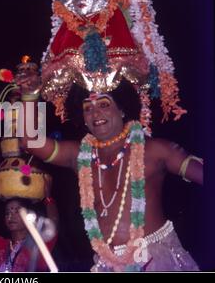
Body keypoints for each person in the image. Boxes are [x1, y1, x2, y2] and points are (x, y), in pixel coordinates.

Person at [17, 72, 203, 271]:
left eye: (104, 105)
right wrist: (30, 94)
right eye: (88, 108)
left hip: (155, 260)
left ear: (122, 109)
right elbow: (29, 141)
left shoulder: (156, 150)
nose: (95, 114)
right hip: (107, 264)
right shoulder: (80, 155)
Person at [0, 174, 59, 272]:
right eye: (7, 213)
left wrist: (48, 197)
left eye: (17, 211)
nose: (10, 216)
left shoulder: (38, 245)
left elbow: (53, 224)